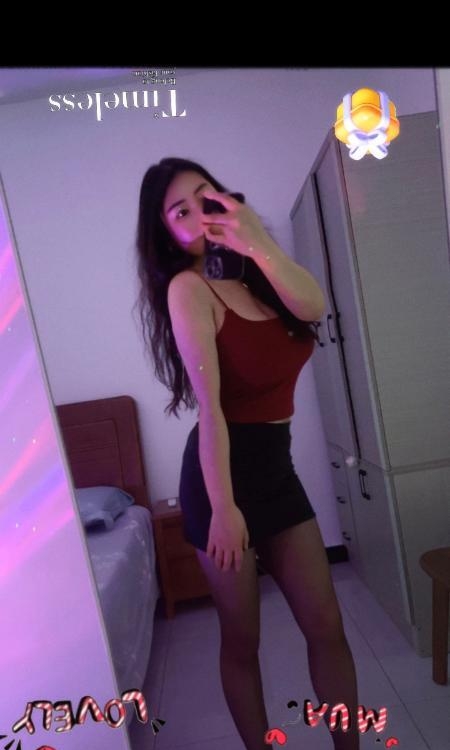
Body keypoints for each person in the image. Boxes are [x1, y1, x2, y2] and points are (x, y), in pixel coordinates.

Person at [134, 157, 361, 750]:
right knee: (242, 640)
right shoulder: (188, 288)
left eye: (204, 196)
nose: (198, 213)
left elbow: (313, 307)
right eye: (180, 211)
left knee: (326, 625)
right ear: (167, 233)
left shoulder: (256, 268)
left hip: (276, 469)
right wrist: (224, 508)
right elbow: (210, 410)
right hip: (221, 477)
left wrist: (256, 240)